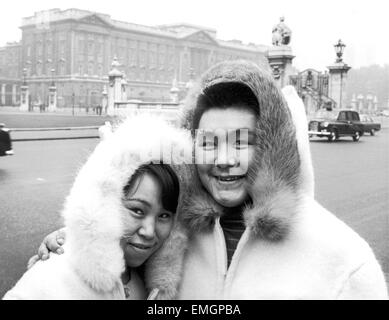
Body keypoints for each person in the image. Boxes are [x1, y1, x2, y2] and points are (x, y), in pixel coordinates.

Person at [29, 60, 388, 299]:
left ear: (273, 143)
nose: (224, 160)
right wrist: (73, 240)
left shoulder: (344, 260)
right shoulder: (170, 235)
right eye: (208, 142)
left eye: (243, 141)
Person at [2, 115, 190, 300]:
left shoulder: (141, 279)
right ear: (103, 205)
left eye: (164, 215)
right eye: (137, 210)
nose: (149, 231)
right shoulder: (52, 277)